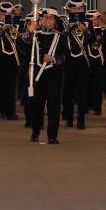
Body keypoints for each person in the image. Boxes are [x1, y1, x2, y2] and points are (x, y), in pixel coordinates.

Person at [20, 8, 68, 144]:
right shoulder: (34, 35)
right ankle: (35, 132)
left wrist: (53, 59)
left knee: (54, 107)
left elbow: (66, 57)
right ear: (40, 20)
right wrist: (30, 30)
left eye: (51, 18)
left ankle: (52, 136)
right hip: (36, 76)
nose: (48, 20)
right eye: (45, 18)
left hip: (55, 76)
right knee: (36, 106)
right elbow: (22, 48)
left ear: (55, 21)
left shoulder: (61, 37)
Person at [62, 0, 91, 130]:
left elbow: (94, 42)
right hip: (67, 62)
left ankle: (81, 120)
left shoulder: (88, 23)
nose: (77, 11)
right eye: (74, 9)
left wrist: (85, 30)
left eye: (80, 9)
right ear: (69, 10)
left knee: (82, 92)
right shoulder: (62, 23)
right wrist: (69, 29)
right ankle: (68, 118)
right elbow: (59, 40)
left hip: (82, 62)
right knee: (67, 91)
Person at [0, 2, 20, 120]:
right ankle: (3, 110)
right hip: (0, 60)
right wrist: (3, 29)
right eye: (4, 14)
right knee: (2, 87)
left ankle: (11, 112)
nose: (6, 16)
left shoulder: (18, 25)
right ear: (0, 14)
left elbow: (23, 41)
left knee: (11, 87)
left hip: (13, 61)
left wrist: (16, 31)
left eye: (9, 14)